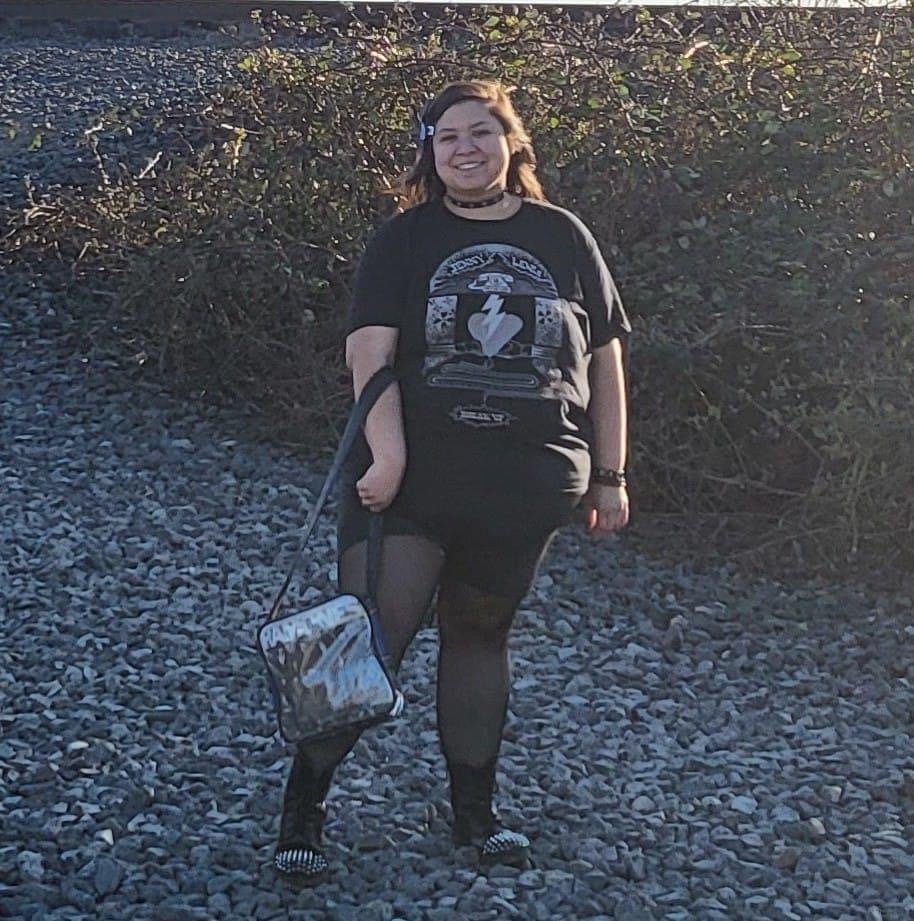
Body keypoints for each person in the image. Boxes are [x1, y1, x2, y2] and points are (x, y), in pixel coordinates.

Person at [273, 79, 632, 886]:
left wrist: (610, 472)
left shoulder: (562, 234)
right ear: (430, 156)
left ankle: (476, 814)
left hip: (526, 483)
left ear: (513, 143)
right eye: (448, 138)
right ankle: (304, 807)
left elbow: (606, 357)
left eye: (481, 132)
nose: (466, 148)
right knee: (370, 642)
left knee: (480, 638)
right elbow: (369, 353)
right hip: (413, 481)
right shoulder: (404, 239)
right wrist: (389, 456)